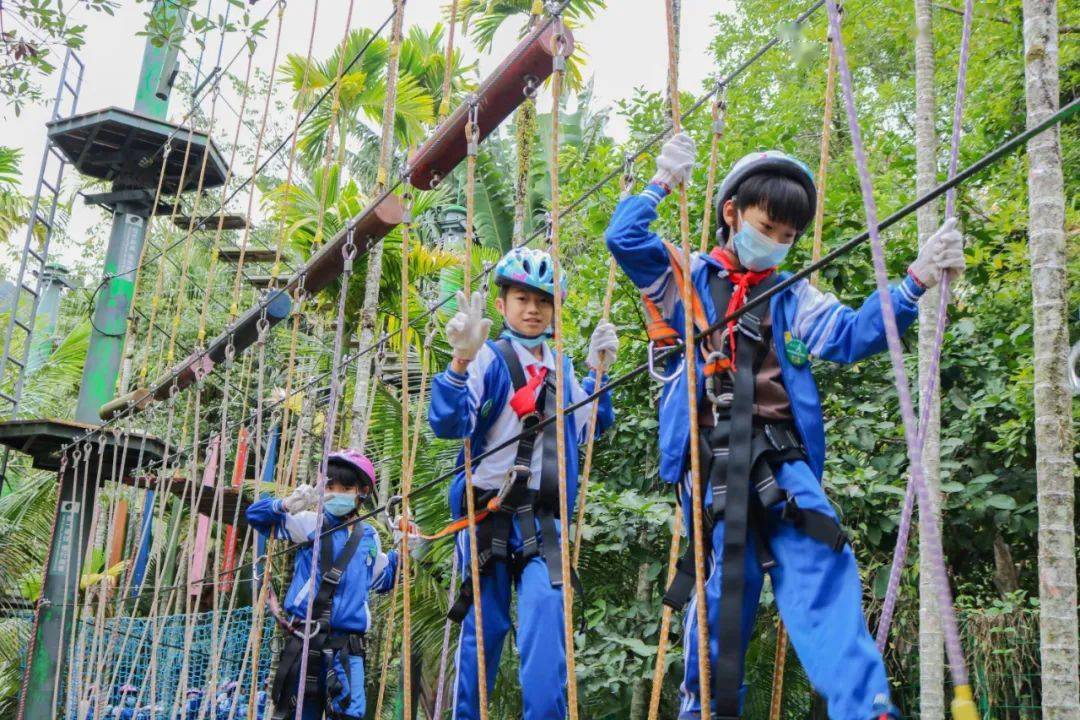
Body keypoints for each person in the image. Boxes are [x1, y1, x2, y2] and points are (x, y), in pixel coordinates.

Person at [605, 134, 966, 720]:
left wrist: (914, 284)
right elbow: (623, 240)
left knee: (824, 558)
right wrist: (659, 184)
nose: (775, 244)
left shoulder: (793, 293)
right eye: (767, 226)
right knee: (726, 594)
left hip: (781, 460)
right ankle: (706, 711)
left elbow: (850, 336)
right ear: (732, 214)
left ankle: (865, 708)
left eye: (787, 236)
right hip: (714, 461)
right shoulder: (687, 279)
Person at [428, 247, 619, 720]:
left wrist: (601, 375)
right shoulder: (487, 360)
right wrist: (458, 362)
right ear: (503, 305)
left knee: (546, 620)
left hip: (544, 518)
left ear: (555, 308)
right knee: (483, 629)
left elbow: (594, 426)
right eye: (521, 299)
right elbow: (449, 423)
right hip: (486, 514)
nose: (533, 310)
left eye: (543, 301)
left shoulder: (566, 371)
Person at [246, 450, 411, 720]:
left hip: (347, 649)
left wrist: (406, 549)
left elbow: (383, 579)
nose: (337, 493)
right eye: (330, 487)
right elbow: (255, 517)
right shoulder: (310, 523)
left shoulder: (368, 537)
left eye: (346, 488)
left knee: (349, 715)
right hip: (305, 644)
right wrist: (288, 504)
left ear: (363, 492)